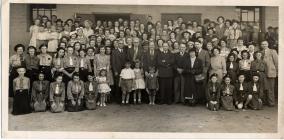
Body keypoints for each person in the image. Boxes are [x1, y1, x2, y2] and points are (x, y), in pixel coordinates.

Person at [261, 40, 278, 107]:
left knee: (271, 88)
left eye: (265, 44)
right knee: (265, 87)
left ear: (267, 44)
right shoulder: (261, 52)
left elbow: (277, 62)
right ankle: (265, 102)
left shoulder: (272, 51)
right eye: (262, 44)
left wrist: (277, 72)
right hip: (264, 72)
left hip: (271, 72)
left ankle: (271, 103)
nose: (264, 45)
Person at [111, 39, 127, 103]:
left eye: (122, 43)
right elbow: (113, 62)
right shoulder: (114, 51)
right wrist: (115, 71)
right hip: (117, 71)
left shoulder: (125, 51)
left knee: (123, 85)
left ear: (123, 44)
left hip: (124, 71)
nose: (121, 44)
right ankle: (117, 99)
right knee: (117, 85)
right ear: (117, 44)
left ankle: (123, 99)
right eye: (119, 43)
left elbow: (126, 61)